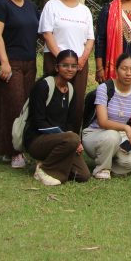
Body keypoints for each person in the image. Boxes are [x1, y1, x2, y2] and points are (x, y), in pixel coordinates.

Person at [0, 0, 40, 169]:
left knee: (25, 106)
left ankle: (10, 148)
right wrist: (4, 62)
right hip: (10, 63)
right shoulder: (1, 4)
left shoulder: (31, 6)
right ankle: (14, 152)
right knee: (13, 105)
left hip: (30, 63)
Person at [38, 0, 94, 130]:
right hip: (55, 60)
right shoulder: (52, 6)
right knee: (54, 99)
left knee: (76, 102)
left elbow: (90, 38)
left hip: (79, 64)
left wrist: (82, 59)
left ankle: (73, 137)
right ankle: (51, 136)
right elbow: (47, 34)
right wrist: (61, 59)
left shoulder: (84, 10)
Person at [24, 50, 91, 185]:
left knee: (83, 175)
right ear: (56, 67)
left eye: (73, 66)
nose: (70, 69)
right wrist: (67, 137)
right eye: (65, 65)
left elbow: (70, 123)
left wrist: (74, 142)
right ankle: (44, 170)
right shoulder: (43, 86)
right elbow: (38, 121)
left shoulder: (71, 90)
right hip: (37, 140)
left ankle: (49, 162)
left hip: (63, 140)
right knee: (72, 138)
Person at [82, 52, 131, 179]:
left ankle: (112, 166)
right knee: (112, 136)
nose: (128, 73)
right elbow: (103, 122)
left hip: (120, 136)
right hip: (95, 134)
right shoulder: (105, 88)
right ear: (116, 70)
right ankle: (102, 169)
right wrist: (126, 127)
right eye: (124, 68)